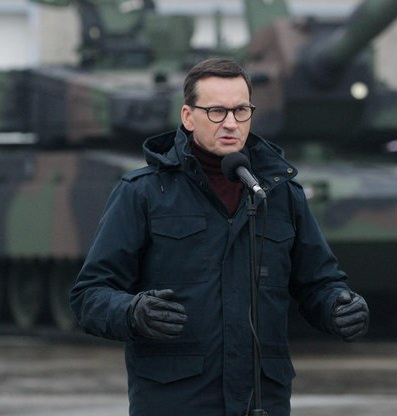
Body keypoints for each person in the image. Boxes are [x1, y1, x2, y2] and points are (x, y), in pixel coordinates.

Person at [70, 57, 369, 416]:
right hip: (176, 400)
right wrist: (132, 312)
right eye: (216, 111)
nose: (230, 123)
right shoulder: (144, 192)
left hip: (261, 400)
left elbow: (318, 282)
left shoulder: (279, 193)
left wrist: (338, 306)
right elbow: (89, 295)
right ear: (187, 116)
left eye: (241, 110)